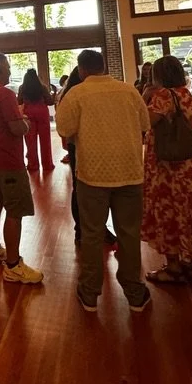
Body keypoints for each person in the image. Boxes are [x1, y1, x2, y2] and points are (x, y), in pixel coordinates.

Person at [56, 50, 151, 313]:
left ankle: (90, 293)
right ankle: (134, 291)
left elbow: (64, 129)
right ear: (103, 67)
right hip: (130, 171)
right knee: (129, 233)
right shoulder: (129, 91)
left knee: (92, 233)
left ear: (82, 70)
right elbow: (145, 123)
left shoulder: (76, 94)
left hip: (93, 173)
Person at [142, 55, 192, 283]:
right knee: (187, 213)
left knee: (168, 212)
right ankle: (189, 264)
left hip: (166, 166)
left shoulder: (162, 96)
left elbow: (145, 122)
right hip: (189, 165)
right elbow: (191, 124)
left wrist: (144, 97)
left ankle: (173, 266)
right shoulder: (187, 94)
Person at [0, 53, 43, 284]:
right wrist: (25, 122)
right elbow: (15, 128)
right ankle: (13, 265)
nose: (10, 72)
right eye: (7, 68)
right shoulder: (5, 94)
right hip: (8, 161)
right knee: (15, 210)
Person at [57, 65, 117, 247]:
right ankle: (93, 229)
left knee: (80, 189)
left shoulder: (70, 95)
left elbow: (64, 129)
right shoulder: (81, 95)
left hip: (77, 146)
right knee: (96, 188)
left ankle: (82, 231)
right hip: (95, 146)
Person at [17, 68, 55, 172]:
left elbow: (19, 101)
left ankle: (33, 166)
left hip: (28, 114)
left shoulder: (22, 88)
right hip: (42, 113)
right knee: (45, 141)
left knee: (30, 141)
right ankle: (47, 165)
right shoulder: (42, 87)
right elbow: (50, 102)